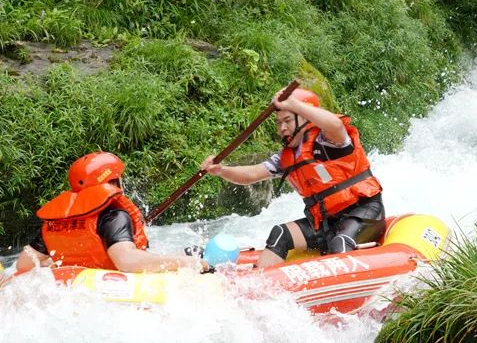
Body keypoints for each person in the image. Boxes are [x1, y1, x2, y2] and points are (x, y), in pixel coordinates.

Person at [201, 87, 385, 268]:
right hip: (326, 223)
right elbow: (251, 175)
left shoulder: (330, 140)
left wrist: (295, 104)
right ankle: (260, 285)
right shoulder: (287, 157)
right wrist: (221, 170)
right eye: (279, 123)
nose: (282, 128)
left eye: (288, 120)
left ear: (305, 118)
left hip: (364, 213)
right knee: (280, 233)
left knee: (340, 243)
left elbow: (335, 124)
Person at [16, 152, 209, 274]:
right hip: (114, 288)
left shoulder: (56, 220)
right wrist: (182, 262)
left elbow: (23, 265)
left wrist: (63, 263)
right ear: (114, 182)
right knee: (194, 254)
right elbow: (126, 262)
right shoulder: (113, 215)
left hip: (75, 288)